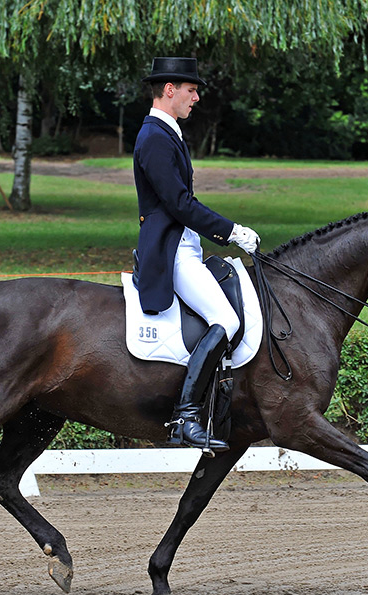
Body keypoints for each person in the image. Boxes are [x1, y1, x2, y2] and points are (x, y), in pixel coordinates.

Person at [132, 56, 260, 455]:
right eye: (191, 90)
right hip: (172, 253)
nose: (197, 97)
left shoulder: (168, 133)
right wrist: (231, 231)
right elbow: (179, 203)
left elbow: (184, 201)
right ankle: (186, 417)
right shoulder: (154, 136)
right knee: (226, 318)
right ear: (169, 90)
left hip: (186, 246)